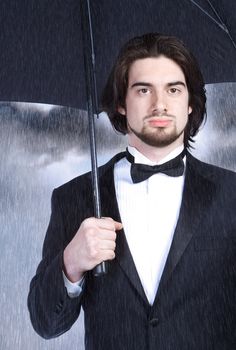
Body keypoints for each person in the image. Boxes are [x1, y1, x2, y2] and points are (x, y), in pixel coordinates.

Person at [28, 33, 236, 349]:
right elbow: (45, 322)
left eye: (174, 89)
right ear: (122, 103)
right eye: (143, 90)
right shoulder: (76, 196)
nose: (160, 104)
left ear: (191, 103)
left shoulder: (231, 194)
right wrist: (71, 262)